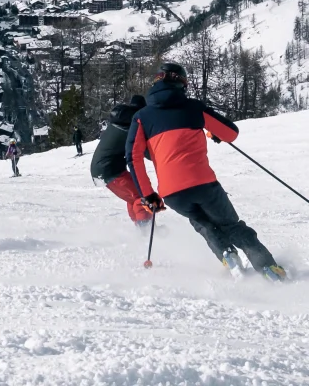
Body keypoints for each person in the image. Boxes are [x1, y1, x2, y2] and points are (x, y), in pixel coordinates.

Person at [126, 62, 286, 281]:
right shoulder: (193, 107)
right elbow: (231, 133)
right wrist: (214, 132)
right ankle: (268, 269)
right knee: (230, 225)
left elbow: (133, 157)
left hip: (172, 194)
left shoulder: (141, 117)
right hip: (203, 184)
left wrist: (148, 194)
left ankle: (228, 256)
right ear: (181, 83)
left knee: (203, 225)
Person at [91, 95, 152, 225]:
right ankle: (145, 229)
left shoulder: (120, 122)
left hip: (104, 168)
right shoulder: (132, 126)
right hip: (110, 170)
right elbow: (146, 151)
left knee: (133, 196)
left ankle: (139, 225)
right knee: (141, 195)